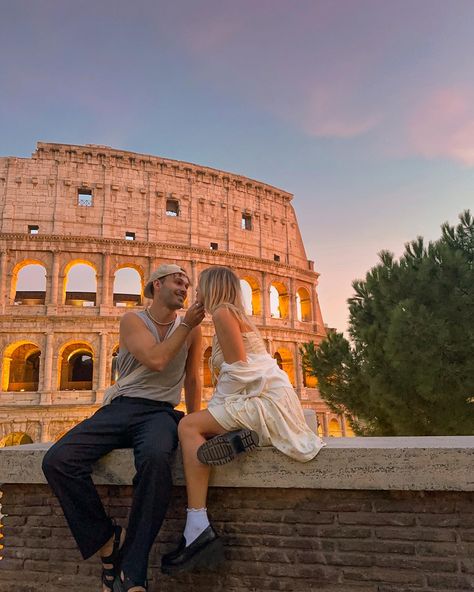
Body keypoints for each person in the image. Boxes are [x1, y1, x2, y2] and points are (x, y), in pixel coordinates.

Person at [42, 264, 205, 592]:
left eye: (187, 284)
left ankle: (134, 564)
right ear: (156, 284)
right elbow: (156, 360)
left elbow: (192, 377)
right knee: (58, 460)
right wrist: (186, 325)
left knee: (157, 460)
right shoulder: (133, 320)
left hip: (160, 412)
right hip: (122, 406)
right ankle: (107, 540)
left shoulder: (193, 329)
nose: (184, 288)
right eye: (177, 281)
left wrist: (194, 420)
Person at [161, 265, 325, 575]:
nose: (196, 293)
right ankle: (237, 437)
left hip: (262, 399)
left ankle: (197, 524)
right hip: (267, 395)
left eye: (200, 287)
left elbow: (239, 370)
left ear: (212, 288)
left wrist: (215, 408)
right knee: (202, 427)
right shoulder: (233, 314)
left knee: (188, 426)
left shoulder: (222, 313)